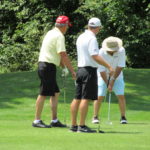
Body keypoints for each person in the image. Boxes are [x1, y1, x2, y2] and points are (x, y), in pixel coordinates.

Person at [70, 18, 114, 133]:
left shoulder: (81, 36)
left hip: (80, 69)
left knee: (77, 98)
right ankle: (82, 126)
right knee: (86, 98)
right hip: (89, 71)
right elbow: (95, 55)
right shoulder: (92, 38)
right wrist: (108, 66)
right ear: (98, 27)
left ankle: (74, 125)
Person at [32, 15, 76, 128]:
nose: (67, 29)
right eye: (67, 26)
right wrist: (72, 71)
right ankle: (36, 121)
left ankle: (54, 120)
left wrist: (63, 67)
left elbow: (56, 53)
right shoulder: (59, 36)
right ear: (64, 26)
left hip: (47, 65)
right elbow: (63, 54)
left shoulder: (51, 33)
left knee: (55, 93)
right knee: (43, 93)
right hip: (47, 66)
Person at [92, 36, 128, 124]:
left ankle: (123, 117)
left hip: (117, 76)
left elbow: (120, 66)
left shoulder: (121, 50)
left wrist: (112, 80)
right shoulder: (101, 52)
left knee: (121, 95)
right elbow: (101, 70)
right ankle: (95, 116)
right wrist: (108, 83)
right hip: (102, 76)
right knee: (100, 95)